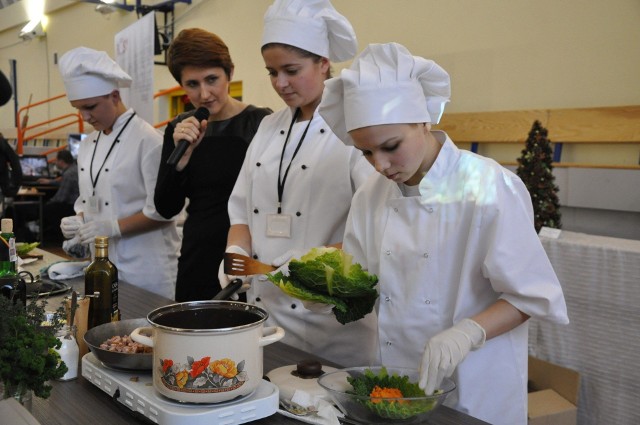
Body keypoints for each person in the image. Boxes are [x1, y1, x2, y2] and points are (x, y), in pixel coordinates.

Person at [318, 42, 569, 425]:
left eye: (390, 147)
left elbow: (531, 296)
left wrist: (468, 332)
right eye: (365, 153)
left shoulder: (488, 186)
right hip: (395, 383)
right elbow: (362, 280)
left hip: (476, 384)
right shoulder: (371, 194)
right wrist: (316, 281)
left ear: (424, 121)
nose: (381, 165)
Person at [218, 0, 377, 366]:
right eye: (272, 72)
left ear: (324, 63)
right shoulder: (268, 126)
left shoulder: (355, 126)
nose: (280, 84)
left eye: (291, 70)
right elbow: (241, 207)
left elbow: (374, 227)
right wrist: (237, 254)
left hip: (326, 315)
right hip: (265, 309)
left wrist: (310, 263)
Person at [154, 28, 272, 302]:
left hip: (246, 257)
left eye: (212, 79)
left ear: (229, 73)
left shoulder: (259, 123)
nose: (204, 93)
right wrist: (180, 161)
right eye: (192, 84)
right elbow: (165, 207)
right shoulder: (180, 128)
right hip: (197, 256)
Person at [57, 46, 180, 299]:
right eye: (78, 109)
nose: (85, 116)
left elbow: (165, 212)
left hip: (147, 267)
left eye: (90, 106)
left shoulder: (149, 141)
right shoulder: (89, 144)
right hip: (102, 264)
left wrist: (113, 227)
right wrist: (80, 219)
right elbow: (87, 199)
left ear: (114, 96)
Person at [36, 150, 79, 243]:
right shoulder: (74, 169)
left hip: (69, 206)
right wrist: (49, 182)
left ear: (61, 162)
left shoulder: (68, 174)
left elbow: (60, 198)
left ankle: (49, 239)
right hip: (76, 204)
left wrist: (47, 202)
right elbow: (61, 180)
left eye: (56, 160)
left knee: (45, 208)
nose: (55, 162)